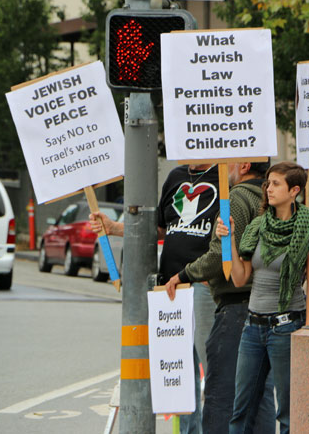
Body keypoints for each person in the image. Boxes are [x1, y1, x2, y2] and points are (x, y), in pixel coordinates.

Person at [90, 163, 220, 434]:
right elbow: (160, 228)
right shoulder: (176, 176)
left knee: (213, 369)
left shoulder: (224, 177)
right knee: (181, 374)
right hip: (171, 288)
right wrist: (114, 227)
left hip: (203, 286)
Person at [163, 161, 276, 433]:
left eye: (233, 159)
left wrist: (184, 274)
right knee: (260, 392)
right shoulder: (269, 198)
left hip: (235, 306)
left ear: (245, 164)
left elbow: (219, 255)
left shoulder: (235, 196)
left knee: (221, 393)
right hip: (264, 306)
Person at [216, 161, 309, 434]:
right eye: (268, 183)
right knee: (241, 409)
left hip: (287, 326)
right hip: (252, 327)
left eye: (276, 184)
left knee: (288, 411)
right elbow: (240, 278)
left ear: (294, 190)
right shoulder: (257, 226)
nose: (268, 189)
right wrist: (229, 241)